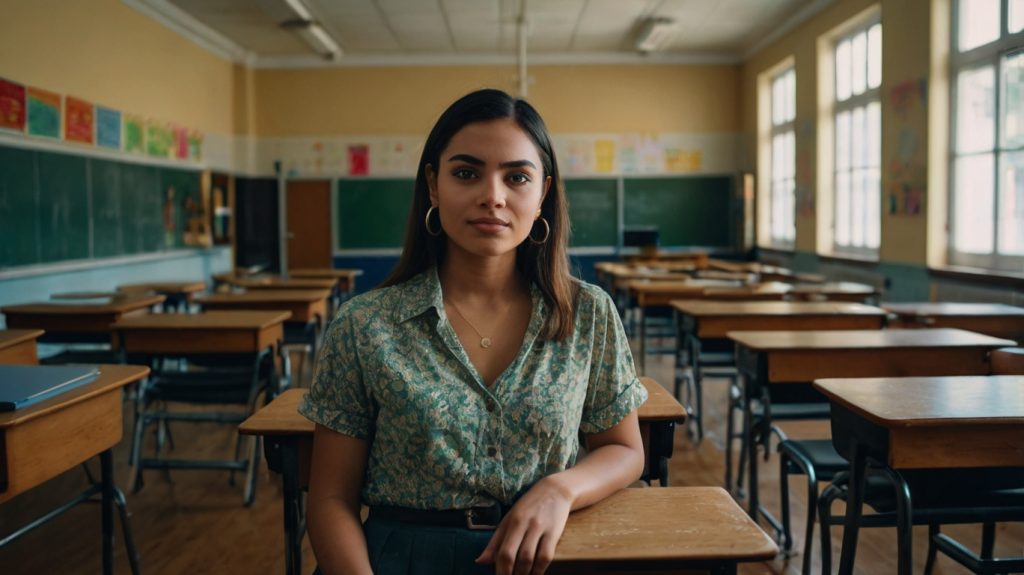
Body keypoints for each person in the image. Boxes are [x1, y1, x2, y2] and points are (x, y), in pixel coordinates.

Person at [300, 88, 647, 575]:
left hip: (547, 555)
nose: (493, 196)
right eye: (466, 173)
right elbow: (331, 499)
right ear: (434, 185)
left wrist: (560, 488)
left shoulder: (587, 312)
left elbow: (624, 449)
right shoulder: (365, 324)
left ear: (543, 192)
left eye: (517, 177)